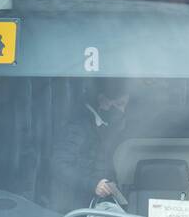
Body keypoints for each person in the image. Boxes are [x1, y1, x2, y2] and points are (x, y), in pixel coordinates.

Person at [51, 77, 132, 210]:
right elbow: (58, 165)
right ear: (103, 101)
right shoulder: (78, 127)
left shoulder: (105, 127)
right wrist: (92, 184)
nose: (122, 111)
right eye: (119, 104)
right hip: (74, 210)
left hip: (95, 206)